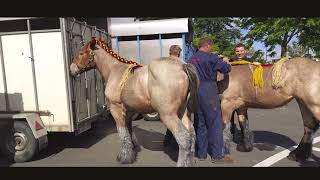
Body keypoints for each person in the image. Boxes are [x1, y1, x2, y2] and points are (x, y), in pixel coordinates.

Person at [187, 37, 233, 163]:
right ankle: (217, 156)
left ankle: (201, 154)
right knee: (214, 123)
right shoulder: (211, 57)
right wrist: (225, 61)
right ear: (207, 45)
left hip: (196, 91)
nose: (211, 48)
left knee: (200, 124)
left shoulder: (190, 59)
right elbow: (226, 69)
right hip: (209, 91)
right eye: (210, 46)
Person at [163, 45, 182, 149]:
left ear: (169, 52)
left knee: (170, 118)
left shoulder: (163, 63)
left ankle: (167, 141)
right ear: (179, 53)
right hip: (178, 94)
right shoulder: (181, 63)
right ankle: (174, 142)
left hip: (165, 95)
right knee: (177, 118)